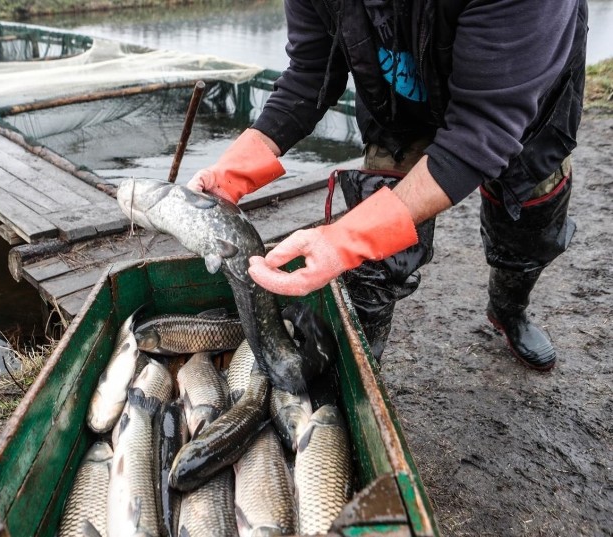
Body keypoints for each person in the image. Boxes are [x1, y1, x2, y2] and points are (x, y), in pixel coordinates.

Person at [188, 0, 587, 370]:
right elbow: (310, 74)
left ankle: (508, 309)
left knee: (529, 229)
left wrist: (346, 237)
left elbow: (481, 129)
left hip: (522, 114)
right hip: (401, 111)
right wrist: (234, 171)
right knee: (372, 259)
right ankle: (363, 362)